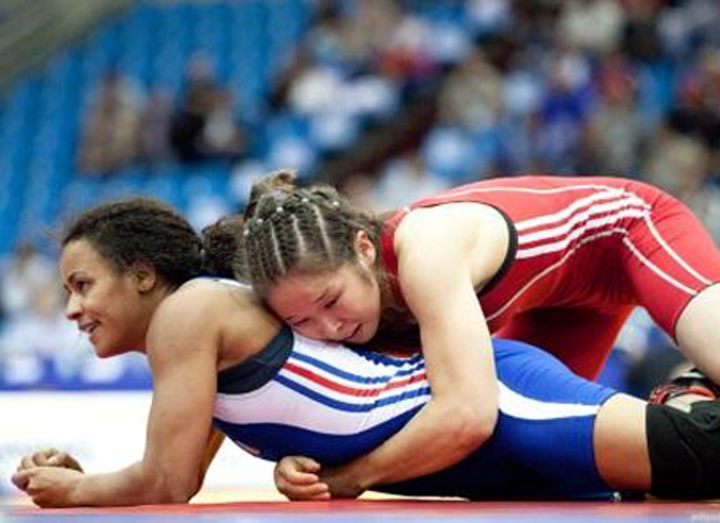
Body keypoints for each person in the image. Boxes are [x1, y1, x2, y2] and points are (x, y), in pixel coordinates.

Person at [11, 197, 720, 508]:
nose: (72, 308)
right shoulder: (204, 336)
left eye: (82, 284)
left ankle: (694, 383)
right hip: (478, 457)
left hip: (494, 406)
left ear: (142, 274)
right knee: (667, 483)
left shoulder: (191, 311)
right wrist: (85, 479)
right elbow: (170, 474)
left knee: (699, 453)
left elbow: (165, 485)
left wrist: (75, 492)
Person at [238, 170, 720, 496]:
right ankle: (687, 394)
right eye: (301, 322)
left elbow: (467, 415)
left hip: (628, 233)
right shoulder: (341, 298)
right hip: (559, 304)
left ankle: (697, 387)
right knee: (543, 463)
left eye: (330, 301)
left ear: (365, 248)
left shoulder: (426, 253)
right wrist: (302, 464)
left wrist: (350, 478)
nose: (329, 328)